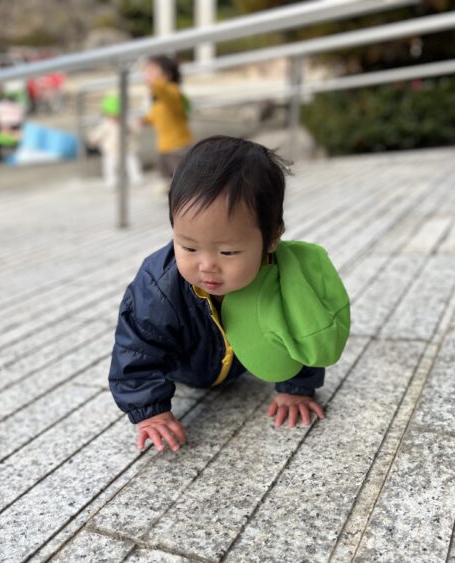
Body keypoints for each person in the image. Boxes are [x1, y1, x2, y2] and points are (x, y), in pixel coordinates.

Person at [108, 136, 351, 452]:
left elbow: (306, 327)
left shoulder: (284, 275)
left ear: (272, 238)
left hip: (241, 363)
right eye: (189, 247)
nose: (207, 266)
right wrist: (149, 409)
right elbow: (136, 348)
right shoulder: (159, 288)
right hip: (186, 366)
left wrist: (296, 387)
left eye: (228, 252)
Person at [139, 55, 193, 185]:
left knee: (182, 177)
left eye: (152, 71)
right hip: (164, 146)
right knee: (165, 175)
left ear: (167, 75)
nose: (146, 75)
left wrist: (156, 82)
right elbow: (155, 114)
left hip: (179, 145)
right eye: (146, 72)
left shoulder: (173, 92)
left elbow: (167, 94)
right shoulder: (156, 98)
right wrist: (145, 120)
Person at [87, 94, 143, 189]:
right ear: (106, 114)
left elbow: (134, 128)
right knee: (109, 164)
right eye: (111, 115)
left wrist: (137, 126)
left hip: (126, 148)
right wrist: (94, 138)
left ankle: (136, 177)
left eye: (117, 114)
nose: (114, 117)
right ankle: (111, 179)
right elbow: (98, 133)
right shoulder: (105, 124)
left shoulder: (126, 121)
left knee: (131, 162)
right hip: (111, 149)